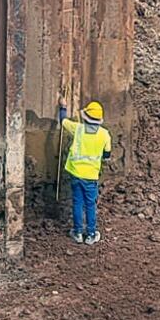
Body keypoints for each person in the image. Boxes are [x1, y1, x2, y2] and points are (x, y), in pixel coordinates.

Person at [59, 97, 112, 245]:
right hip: (91, 177)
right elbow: (107, 156)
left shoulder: (78, 129)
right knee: (90, 205)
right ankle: (90, 235)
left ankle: (77, 233)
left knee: (77, 203)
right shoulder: (105, 134)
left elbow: (63, 121)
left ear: (86, 117)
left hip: (75, 173)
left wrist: (62, 107)